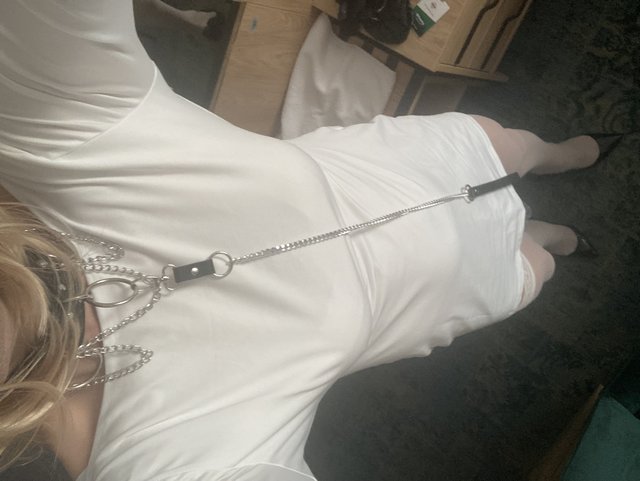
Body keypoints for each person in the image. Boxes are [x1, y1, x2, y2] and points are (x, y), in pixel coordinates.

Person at [0, 2, 602, 480]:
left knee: (510, 145)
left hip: (398, 165)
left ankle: (556, 156)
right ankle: (546, 234)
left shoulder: (54, 139)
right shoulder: (164, 455)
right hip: (446, 291)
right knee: (538, 261)